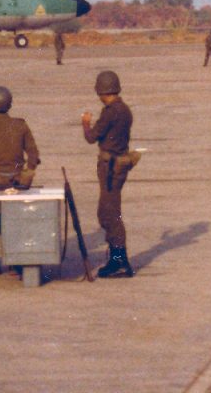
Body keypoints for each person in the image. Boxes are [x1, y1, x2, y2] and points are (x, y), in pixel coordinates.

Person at [81, 70, 136, 278]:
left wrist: (86, 123)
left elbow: (91, 137)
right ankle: (116, 258)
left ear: (102, 92)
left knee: (110, 213)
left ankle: (119, 260)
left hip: (111, 169)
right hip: (118, 167)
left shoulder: (110, 112)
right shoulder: (125, 110)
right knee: (108, 211)